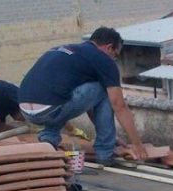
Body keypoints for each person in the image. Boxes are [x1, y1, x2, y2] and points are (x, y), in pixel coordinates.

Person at [18, 27, 147, 163]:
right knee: (104, 89)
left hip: (26, 109)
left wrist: (110, 136)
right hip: (51, 108)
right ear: (109, 47)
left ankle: (48, 141)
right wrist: (137, 144)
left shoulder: (66, 50)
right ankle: (105, 153)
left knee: (60, 98)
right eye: (116, 55)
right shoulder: (104, 60)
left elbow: (88, 104)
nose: (114, 59)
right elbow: (119, 106)